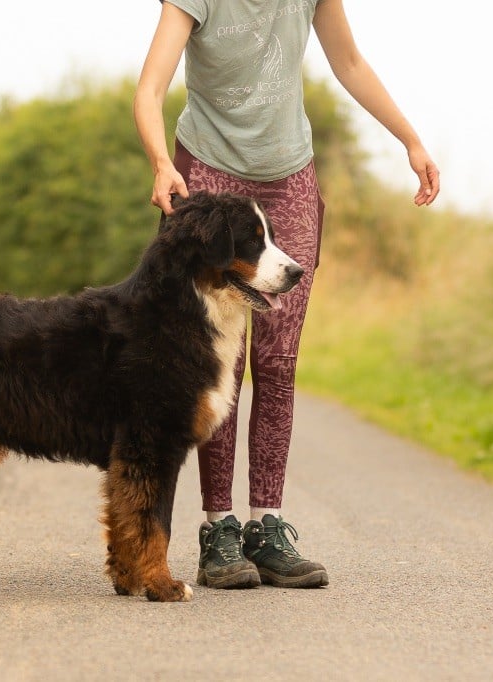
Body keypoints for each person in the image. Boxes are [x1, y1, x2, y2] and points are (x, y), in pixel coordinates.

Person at [134, 0, 440, 590]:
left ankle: (266, 526)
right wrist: (158, 161)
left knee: (278, 358)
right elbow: (150, 88)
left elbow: (348, 62)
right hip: (211, 172)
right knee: (220, 360)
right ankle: (217, 528)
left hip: (290, 176)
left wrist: (411, 141)